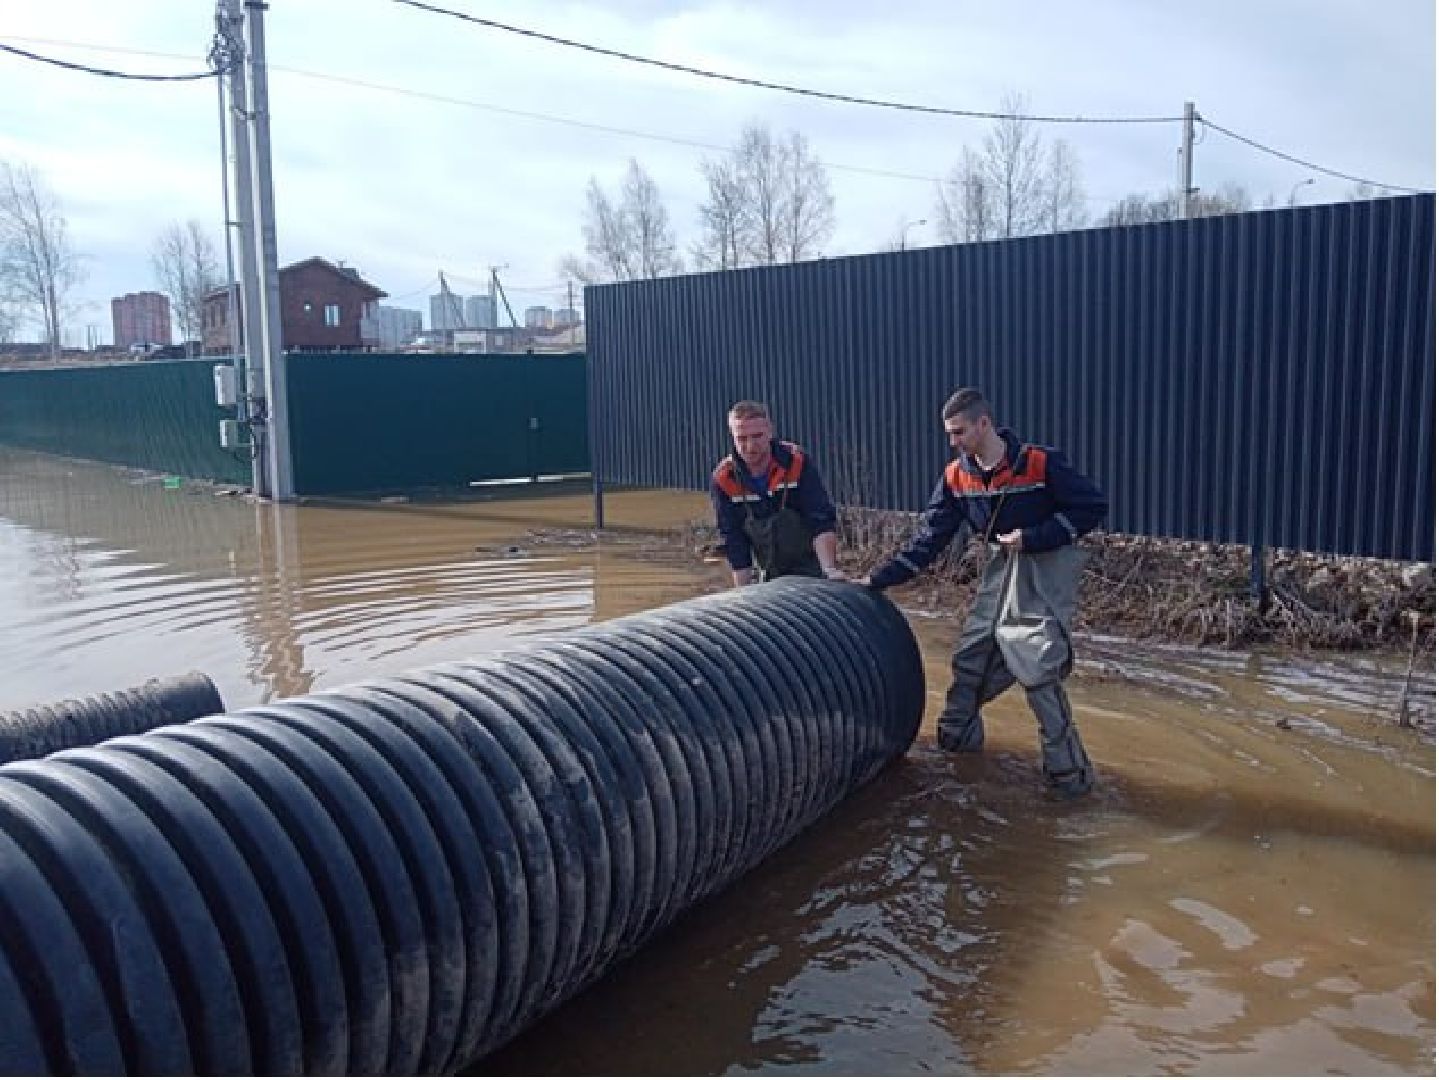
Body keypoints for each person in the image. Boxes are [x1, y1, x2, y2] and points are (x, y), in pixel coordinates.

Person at [860, 388, 1108, 799]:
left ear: (984, 424)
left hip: (1041, 569)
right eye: (949, 434)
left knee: (1037, 668)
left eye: (959, 432)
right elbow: (930, 538)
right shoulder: (956, 476)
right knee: (971, 656)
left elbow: (1091, 507)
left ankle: (1070, 780)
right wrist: (877, 580)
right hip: (998, 570)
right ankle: (956, 750)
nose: (953, 442)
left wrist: (1034, 537)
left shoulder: (1040, 462)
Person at [710, 400, 844, 586]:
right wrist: (742, 591)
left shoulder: (796, 462)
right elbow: (734, 540)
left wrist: (829, 570)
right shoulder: (724, 478)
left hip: (812, 566)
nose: (750, 446)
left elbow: (820, 519)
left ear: (770, 431)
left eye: (757, 436)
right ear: (732, 436)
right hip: (767, 572)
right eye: (742, 438)